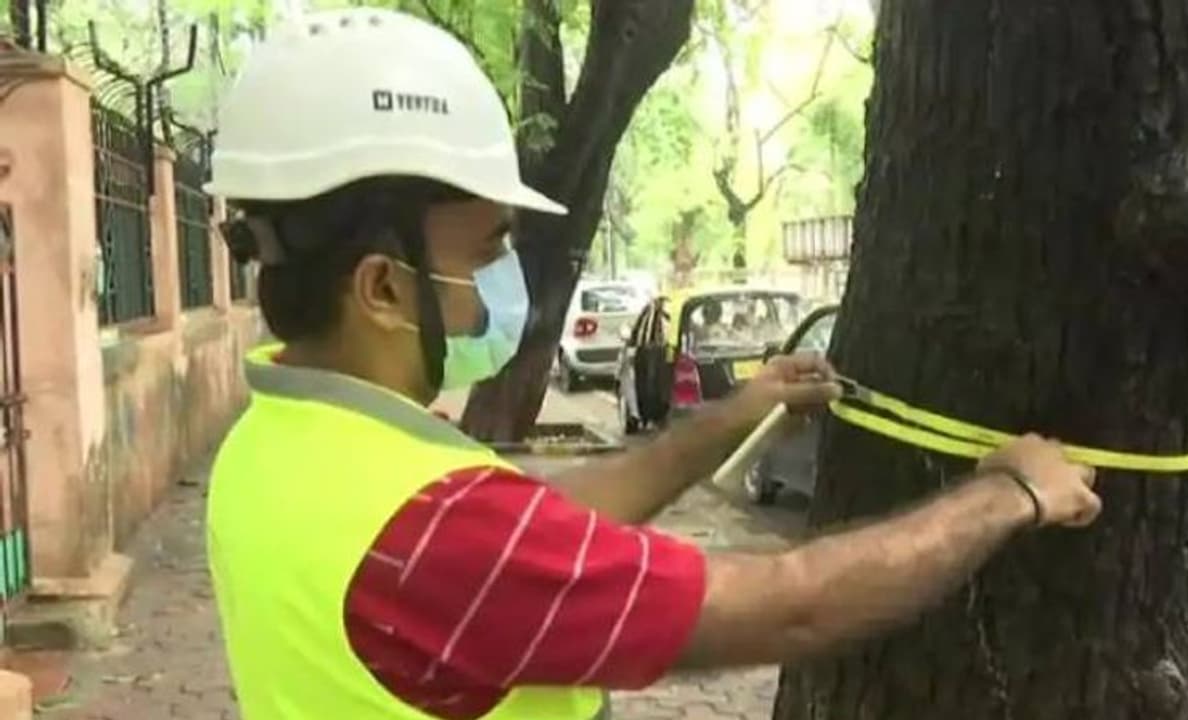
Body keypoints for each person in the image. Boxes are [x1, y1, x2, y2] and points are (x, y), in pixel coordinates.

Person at [204, 9, 1102, 720]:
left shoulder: (275, 449)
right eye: (486, 251)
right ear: (383, 289)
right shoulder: (431, 532)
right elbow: (788, 604)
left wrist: (736, 411)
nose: (502, 280)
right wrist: (1012, 493)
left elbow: (545, 525)